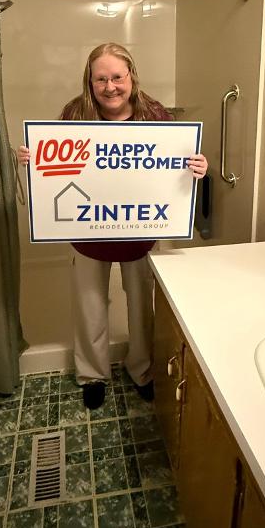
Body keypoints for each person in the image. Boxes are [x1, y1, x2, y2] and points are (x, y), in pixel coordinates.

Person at [18, 42, 208, 410]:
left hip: (140, 231)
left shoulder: (155, 115)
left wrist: (197, 166)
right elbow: (56, 164)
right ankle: (92, 375)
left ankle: (143, 370)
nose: (110, 87)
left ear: (131, 76)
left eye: (117, 77)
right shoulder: (75, 114)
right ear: (89, 82)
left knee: (141, 306)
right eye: (101, 79)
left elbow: (177, 163)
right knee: (90, 307)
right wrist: (33, 156)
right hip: (89, 232)